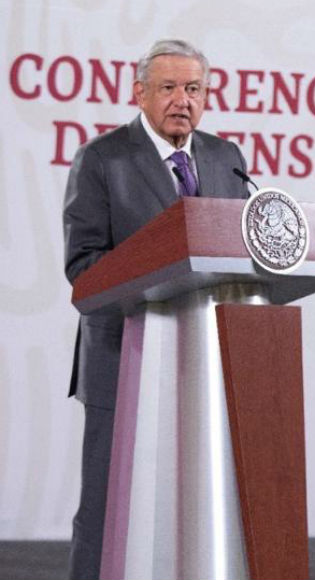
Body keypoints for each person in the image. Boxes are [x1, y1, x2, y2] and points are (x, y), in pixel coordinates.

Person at [62, 39, 250, 580]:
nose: (181, 100)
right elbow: (84, 265)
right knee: (108, 505)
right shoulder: (103, 159)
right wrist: (159, 276)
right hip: (125, 355)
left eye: (193, 89)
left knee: (191, 507)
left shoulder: (225, 158)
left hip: (203, 360)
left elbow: (236, 249)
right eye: (168, 88)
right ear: (139, 92)